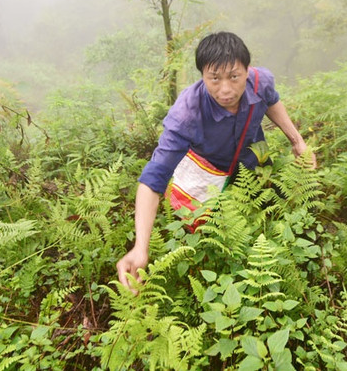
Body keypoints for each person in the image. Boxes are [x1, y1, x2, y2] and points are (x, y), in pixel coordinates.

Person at [116, 31, 313, 289]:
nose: (226, 89)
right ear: (202, 76)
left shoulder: (260, 81)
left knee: (257, 203)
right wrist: (141, 247)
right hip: (208, 166)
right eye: (214, 78)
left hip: (251, 157)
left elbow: (272, 101)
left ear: (246, 69)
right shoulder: (187, 114)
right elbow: (154, 177)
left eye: (234, 76)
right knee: (205, 224)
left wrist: (297, 141)